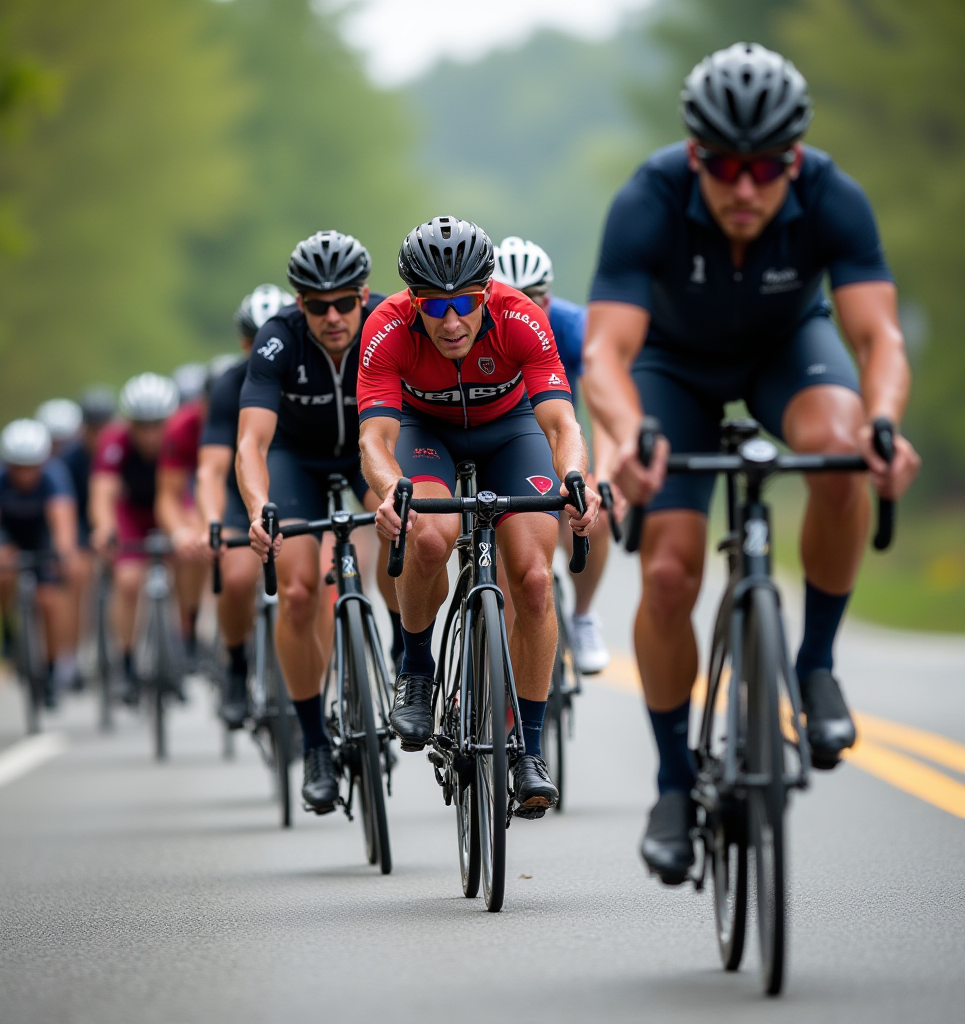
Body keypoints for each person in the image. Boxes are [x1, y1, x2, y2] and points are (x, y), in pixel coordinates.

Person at [582, 43, 920, 884]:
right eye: (724, 166)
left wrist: (883, 424)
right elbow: (604, 356)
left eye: (765, 167)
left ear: (792, 159)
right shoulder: (649, 198)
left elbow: (878, 337)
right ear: (695, 155)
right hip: (672, 370)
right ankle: (671, 785)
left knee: (841, 449)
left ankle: (816, 669)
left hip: (785, 353)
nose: (744, 188)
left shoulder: (830, 194)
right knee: (666, 573)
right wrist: (625, 435)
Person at [358, 216, 599, 819]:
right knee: (431, 534)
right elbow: (375, 439)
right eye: (434, 306)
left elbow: (561, 424)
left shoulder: (520, 316)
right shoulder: (386, 327)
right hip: (426, 433)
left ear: (486, 293)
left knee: (536, 579)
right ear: (412, 300)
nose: (451, 320)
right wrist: (391, 490)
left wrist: (575, 480)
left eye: (465, 302)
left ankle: (530, 749)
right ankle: (416, 667)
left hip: (509, 431)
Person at [237, 232, 404, 815]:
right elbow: (252, 442)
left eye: (344, 302)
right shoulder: (278, 341)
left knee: (402, 526)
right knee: (301, 591)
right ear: (298, 303)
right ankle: (313, 744)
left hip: (366, 453)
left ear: (364, 295)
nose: (332, 317)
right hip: (296, 462)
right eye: (316, 305)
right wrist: (260, 509)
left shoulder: (389, 322)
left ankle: (406, 649)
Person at [492, 236, 612, 673]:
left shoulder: (570, 324)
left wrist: (604, 469)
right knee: (511, 581)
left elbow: (602, 398)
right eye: (512, 297)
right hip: (502, 454)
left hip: (560, 449)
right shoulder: (476, 330)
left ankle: (582, 616)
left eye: (535, 297)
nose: (525, 308)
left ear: (550, 294)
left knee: (595, 519)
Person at [197, 284, 294, 728]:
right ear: (242, 343)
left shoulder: (310, 369)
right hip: (242, 492)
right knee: (235, 578)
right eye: (255, 338)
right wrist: (212, 523)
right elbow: (212, 470)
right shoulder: (230, 384)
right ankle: (236, 664)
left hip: (295, 487)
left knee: (316, 580)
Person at [0, 419, 78, 705]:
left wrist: (64, 554)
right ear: (6, 464)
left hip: (41, 535)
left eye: (31, 466)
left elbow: (62, 518)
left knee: (49, 602)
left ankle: (52, 670)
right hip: (9, 535)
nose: (25, 474)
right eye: (18, 466)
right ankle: (6, 628)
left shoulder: (54, 475)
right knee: (3, 568)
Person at [90, 373, 180, 703]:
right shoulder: (114, 441)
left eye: (157, 423)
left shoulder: (181, 436)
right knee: (128, 581)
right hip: (131, 514)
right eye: (141, 424)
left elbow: (195, 490)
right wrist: (104, 528)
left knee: (191, 552)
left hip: (171, 505)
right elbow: (102, 493)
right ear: (128, 422)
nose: (150, 433)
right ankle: (127, 663)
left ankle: (187, 638)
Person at [57, 386, 117, 689]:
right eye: (94, 428)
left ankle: (129, 644)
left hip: (115, 521)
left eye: (105, 426)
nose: (100, 434)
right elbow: (63, 506)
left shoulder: (119, 449)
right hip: (79, 523)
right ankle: (73, 654)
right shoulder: (69, 459)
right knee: (77, 574)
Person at [154, 367, 215, 665]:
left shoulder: (249, 418)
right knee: (192, 545)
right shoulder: (181, 428)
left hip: (229, 493)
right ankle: (189, 624)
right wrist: (180, 530)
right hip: (196, 496)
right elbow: (170, 494)